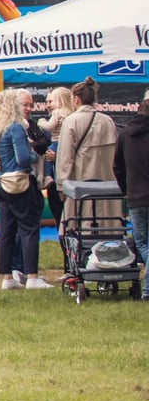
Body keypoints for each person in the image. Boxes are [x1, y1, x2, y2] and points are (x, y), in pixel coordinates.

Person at [0, 90, 53, 290]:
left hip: (0, 183)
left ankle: (7, 277)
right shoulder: (15, 128)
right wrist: (36, 156)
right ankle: (32, 276)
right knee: (29, 229)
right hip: (19, 182)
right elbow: (23, 159)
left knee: (6, 231)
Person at [56, 76, 121, 232]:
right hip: (107, 185)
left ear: (76, 99)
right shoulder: (108, 121)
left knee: (78, 225)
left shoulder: (71, 121)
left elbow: (65, 157)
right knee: (107, 225)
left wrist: (61, 184)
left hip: (80, 184)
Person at [113, 98, 149, 301]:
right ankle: (147, 291)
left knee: (141, 243)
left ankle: (147, 290)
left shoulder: (126, 133)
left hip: (135, 197)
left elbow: (117, 166)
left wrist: (126, 189)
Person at [38, 86, 75, 272]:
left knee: (69, 223)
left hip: (69, 181)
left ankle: (73, 263)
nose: (48, 105)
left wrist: (56, 155)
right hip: (57, 182)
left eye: (51, 101)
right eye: (47, 101)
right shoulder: (63, 120)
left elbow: (74, 151)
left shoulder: (68, 122)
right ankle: (68, 263)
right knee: (60, 220)